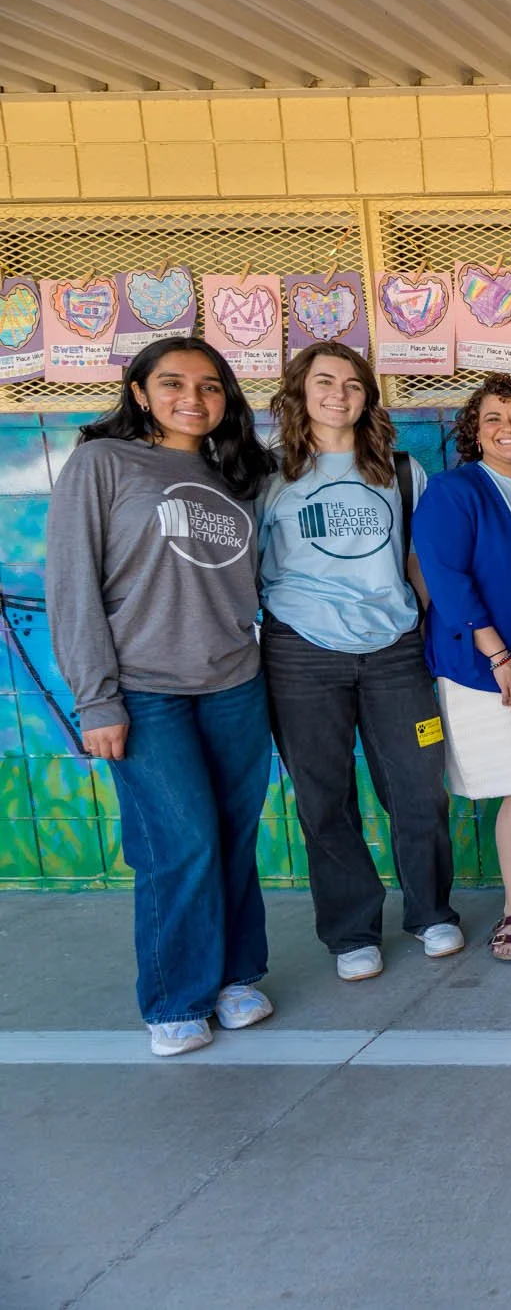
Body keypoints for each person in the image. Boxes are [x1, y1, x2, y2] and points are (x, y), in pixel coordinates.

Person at [47, 336, 279, 1056]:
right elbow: (72, 586)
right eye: (173, 383)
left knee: (234, 837)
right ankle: (176, 997)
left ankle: (236, 976)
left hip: (236, 682)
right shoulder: (101, 463)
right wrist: (97, 699)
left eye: (211, 386)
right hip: (146, 689)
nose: (194, 398)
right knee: (180, 843)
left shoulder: (236, 472)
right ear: (140, 392)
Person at [258, 341, 460, 981]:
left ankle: (431, 913)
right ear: (299, 391)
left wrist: (431, 631)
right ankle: (352, 934)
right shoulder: (268, 474)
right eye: (324, 381)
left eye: (352, 383)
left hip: (394, 649)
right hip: (300, 651)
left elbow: (417, 560)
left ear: (368, 395)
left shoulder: (399, 471)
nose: (338, 393)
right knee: (324, 798)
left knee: (419, 788)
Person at [413, 374, 511, 964]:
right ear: (474, 434)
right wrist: (499, 654)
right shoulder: (457, 492)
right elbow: (447, 579)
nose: (508, 429)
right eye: (492, 420)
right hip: (497, 660)